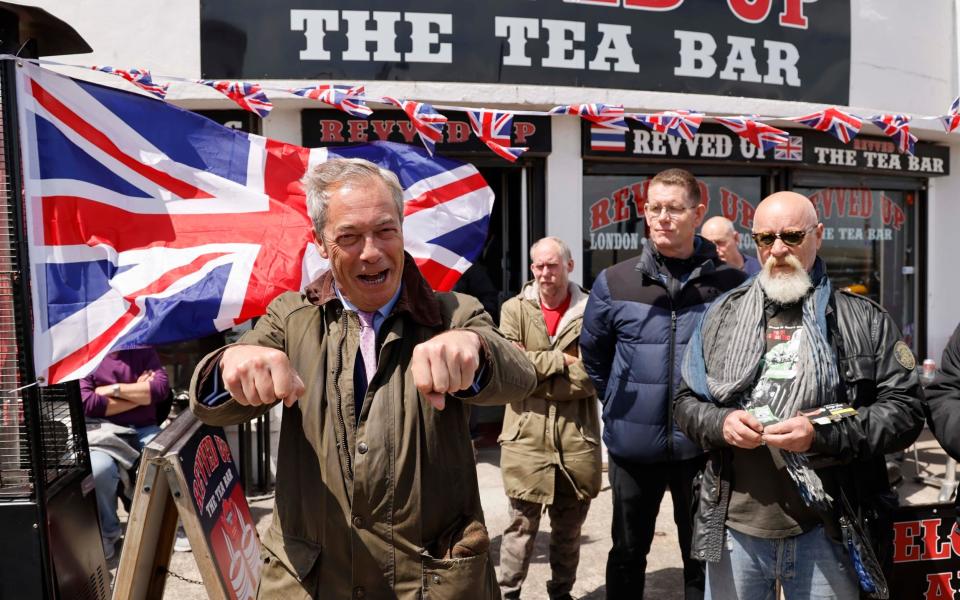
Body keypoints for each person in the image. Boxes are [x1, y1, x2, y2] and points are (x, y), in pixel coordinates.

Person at [189, 158, 536, 599]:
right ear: (319, 242)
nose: (371, 251)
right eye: (349, 237)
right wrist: (232, 364)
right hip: (313, 582)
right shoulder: (290, 318)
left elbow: (520, 377)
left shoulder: (455, 314)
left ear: (402, 228)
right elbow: (212, 403)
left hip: (429, 584)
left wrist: (476, 351)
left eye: (385, 231)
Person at [675, 191, 924, 599]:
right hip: (736, 529)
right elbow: (685, 402)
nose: (777, 250)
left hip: (829, 528)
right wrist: (721, 423)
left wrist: (821, 434)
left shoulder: (864, 319)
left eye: (791, 236)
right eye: (764, 238)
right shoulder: (722, 315)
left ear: (818, 235)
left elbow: (904, 411)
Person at [580, 168, 747, 599]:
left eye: (674, 208)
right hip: (633, 449)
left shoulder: (729, 283)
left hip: (701, 446)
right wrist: (618, 400)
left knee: (701, 556)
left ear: (697, 212)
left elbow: (743, 356)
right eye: (654, 208)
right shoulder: (614, 281)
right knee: (627, 553)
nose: (662, 217)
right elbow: (594, 356)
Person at [497, 237, 599, 600]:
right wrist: (562, 361)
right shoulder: (513, 309)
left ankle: (561, 594)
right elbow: (511, 370)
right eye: (538, 266)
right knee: (520, 528)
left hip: (576, 443)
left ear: (569, 266)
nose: (544, 273)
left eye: (551, 265)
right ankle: (507, 594)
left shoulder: (592, 310)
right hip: (525, 441)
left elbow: (591, 377)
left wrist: (534, 368)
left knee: (568, 532)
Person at [80, 347, 171, 560]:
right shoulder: (88, 356)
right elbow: (88, 403)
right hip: (103, 431)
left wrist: (112, 389)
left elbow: (160, 389)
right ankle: (109, 532)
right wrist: (139, 393)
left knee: (166, 462)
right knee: (99, 470)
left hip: (145, 428)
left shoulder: (144, 351)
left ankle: (167, 528)